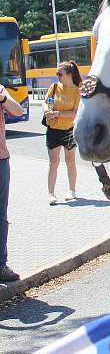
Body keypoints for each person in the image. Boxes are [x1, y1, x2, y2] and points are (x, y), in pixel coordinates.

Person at [42, 61, 81, 205]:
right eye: (57, 74)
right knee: (53, 162)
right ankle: (51, 193)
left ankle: (72, 190)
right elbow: (45, 102)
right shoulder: (54, 87)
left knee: (70, 160)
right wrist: (46, 110)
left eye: (60, 74)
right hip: (53, 129)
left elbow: (75, 112)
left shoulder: (77, 91)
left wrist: (57, 113)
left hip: (69, 130)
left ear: (69, 74)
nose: (57, 76)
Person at [0, 85, 25, 282]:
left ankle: (1, 266)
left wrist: (2, 100)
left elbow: (18, 111)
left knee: (1, 217)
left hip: (1, 161)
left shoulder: (0, 91)